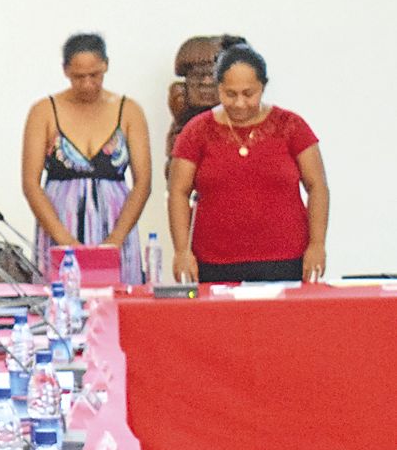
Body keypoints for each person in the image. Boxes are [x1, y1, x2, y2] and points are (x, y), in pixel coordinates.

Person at [168, 42, 329, 283]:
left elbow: (317, 186)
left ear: (263, 87)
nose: (240, 103)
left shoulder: (291, 126)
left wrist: (317, 244)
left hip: (285, 259)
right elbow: (178, 193)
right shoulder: (196, 132)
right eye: (230, 94)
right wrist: (182, 251)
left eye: (248, 93)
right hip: (214, 262)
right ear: (218, 87)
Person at [20, 32, 152, 282]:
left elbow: (143, 183)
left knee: (117, 299)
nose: (88, 84)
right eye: (79, 77)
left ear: (106, 66)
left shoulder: (129, 111)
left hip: (116, 221)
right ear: (65, 71)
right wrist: (65, 240)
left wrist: (115, 240)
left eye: (95, 75)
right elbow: (30, 183)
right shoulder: (44, 111)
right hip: (60, 221)